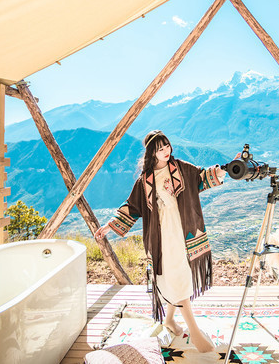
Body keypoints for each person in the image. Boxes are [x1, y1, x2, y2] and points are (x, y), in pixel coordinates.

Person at [95, 130, 226, 353]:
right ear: (151, 152)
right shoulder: (145, 180)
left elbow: (201, 178)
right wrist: (109, 225)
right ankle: (193, 332)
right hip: (162, 235)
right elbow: (133, 207)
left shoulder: (181, 167)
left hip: (184, 230)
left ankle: (171, 321)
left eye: (167, 146)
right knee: (174, 276)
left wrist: (222, 169)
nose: (166, 151)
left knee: (179, 275)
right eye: (160, 148)